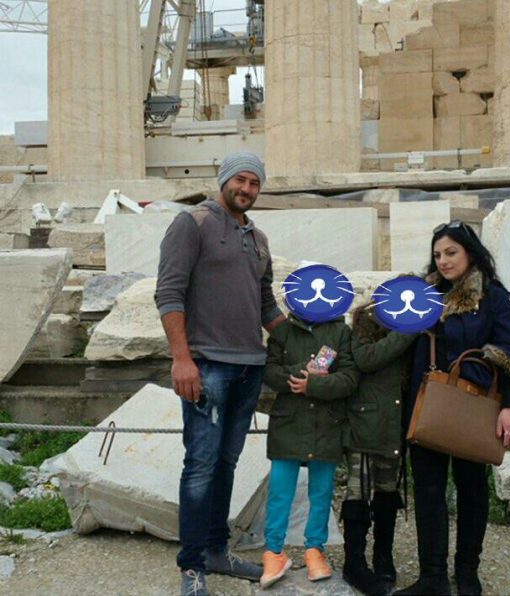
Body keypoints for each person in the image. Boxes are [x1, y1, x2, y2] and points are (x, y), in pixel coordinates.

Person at [155, 151, 285, 596]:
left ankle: (215, 550)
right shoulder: (192, 224)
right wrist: (181, 359)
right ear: (224, 180)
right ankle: (191, 565)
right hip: (205, 365)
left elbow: (266, 305)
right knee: (201, 466)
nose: (246, 189)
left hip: (250, 367)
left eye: (254, 183)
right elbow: (168, 293)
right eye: (241, 180)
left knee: (226, 464)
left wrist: (304, 341)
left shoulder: (259, 237)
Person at [394, 220, 510, 596]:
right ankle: (432, 577)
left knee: (472, 489)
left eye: (451, 252)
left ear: (470, 252)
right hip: (426, 405)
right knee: (427, 490)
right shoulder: (421, 296)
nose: (443, 261)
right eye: (438, 254)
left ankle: (467, 572)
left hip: (474, 408)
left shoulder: (491, 298)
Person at [260, 308, 359, 589]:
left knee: (321, 491)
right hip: (288, 423)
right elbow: (270, 372)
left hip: (326, 424)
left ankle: (315, 549)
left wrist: (315, 385)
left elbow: (350, 378)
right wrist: (303, 372)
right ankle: (273, 551)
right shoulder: (282, 332)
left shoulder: (341, 333)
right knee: (280, 489)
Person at [341, 303, 417, 596]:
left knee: (387, 491)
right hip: (366, 420)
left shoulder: (423, 326)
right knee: (357, 491)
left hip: (395, 424)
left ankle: (383, 557)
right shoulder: (366, 320)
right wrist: (407, 331)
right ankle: (354, 562)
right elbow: (366, 358)